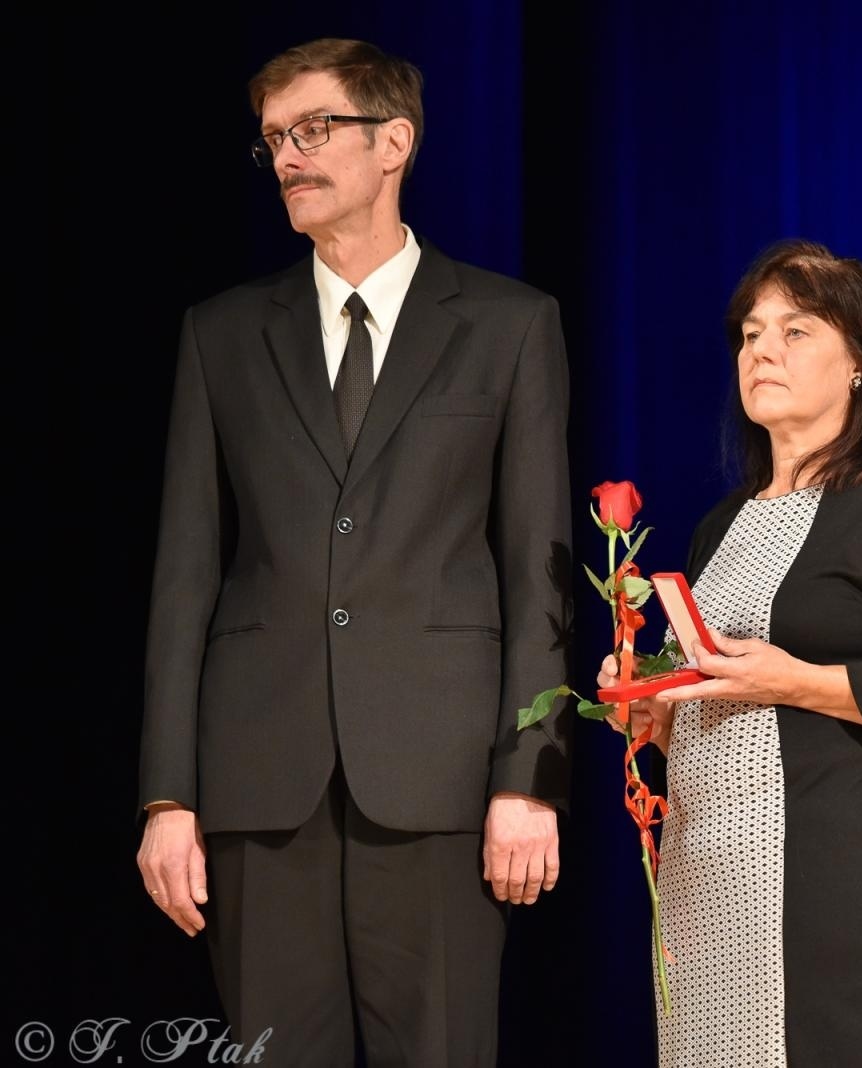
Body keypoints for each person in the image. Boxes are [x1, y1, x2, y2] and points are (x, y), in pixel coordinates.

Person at [135, 38, 572, 1066]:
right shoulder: (222, 333)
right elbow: (184, 577)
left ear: (394, 143)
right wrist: (168, 796)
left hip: (440, 782)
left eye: (314, 129)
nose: (288, 155)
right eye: (274, 140)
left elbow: (536, 569)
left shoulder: (509, 325)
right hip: (258, 785)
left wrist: (530, 779)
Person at [597, 240, 862, 1066]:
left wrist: (796, 680)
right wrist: (656, 712)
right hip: (709, 882)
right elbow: (731, 701)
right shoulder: (722, 525)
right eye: (751, 334)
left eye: (795, 332)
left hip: (846, 879)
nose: (762, 351)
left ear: (860, 362)